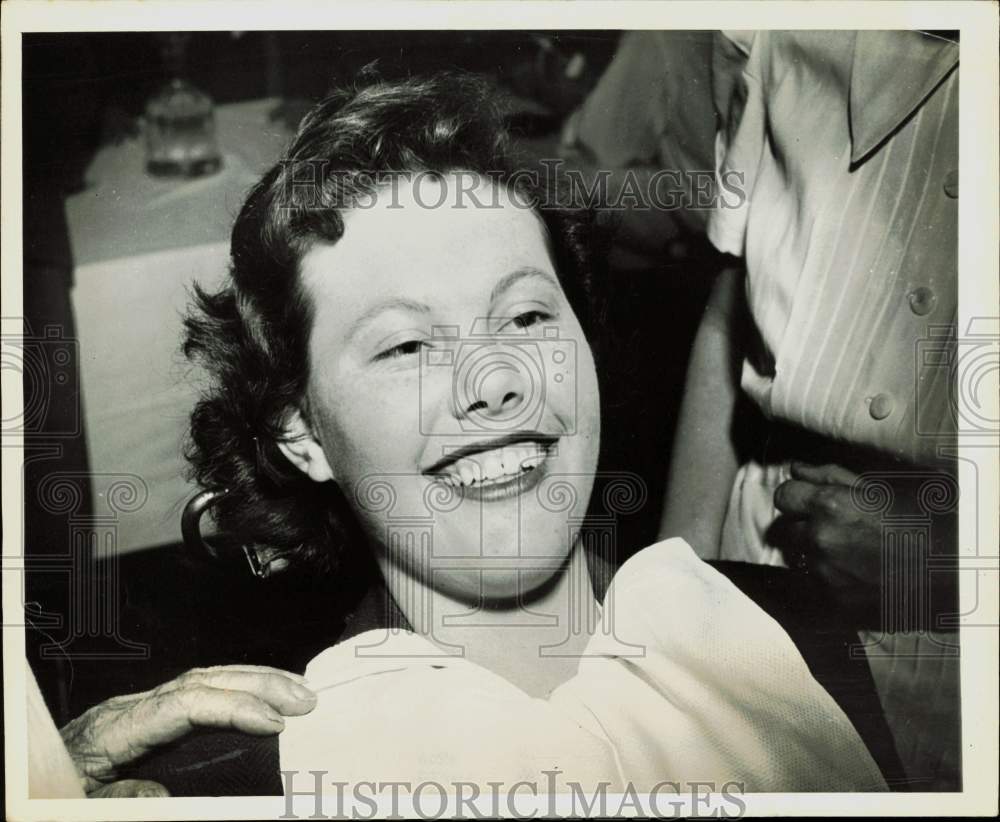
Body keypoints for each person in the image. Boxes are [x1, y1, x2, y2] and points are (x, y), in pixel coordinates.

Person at [49, 71, 893, 797]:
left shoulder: (816, 642)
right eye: (407, 345)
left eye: (526, 316)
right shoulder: (237, 776)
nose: (496, 382)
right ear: (299, 430)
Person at [659, 31, 960, 790]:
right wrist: (668, 588)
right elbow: (731, 314)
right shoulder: (780, 35)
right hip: (758, 553)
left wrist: (954, 566)